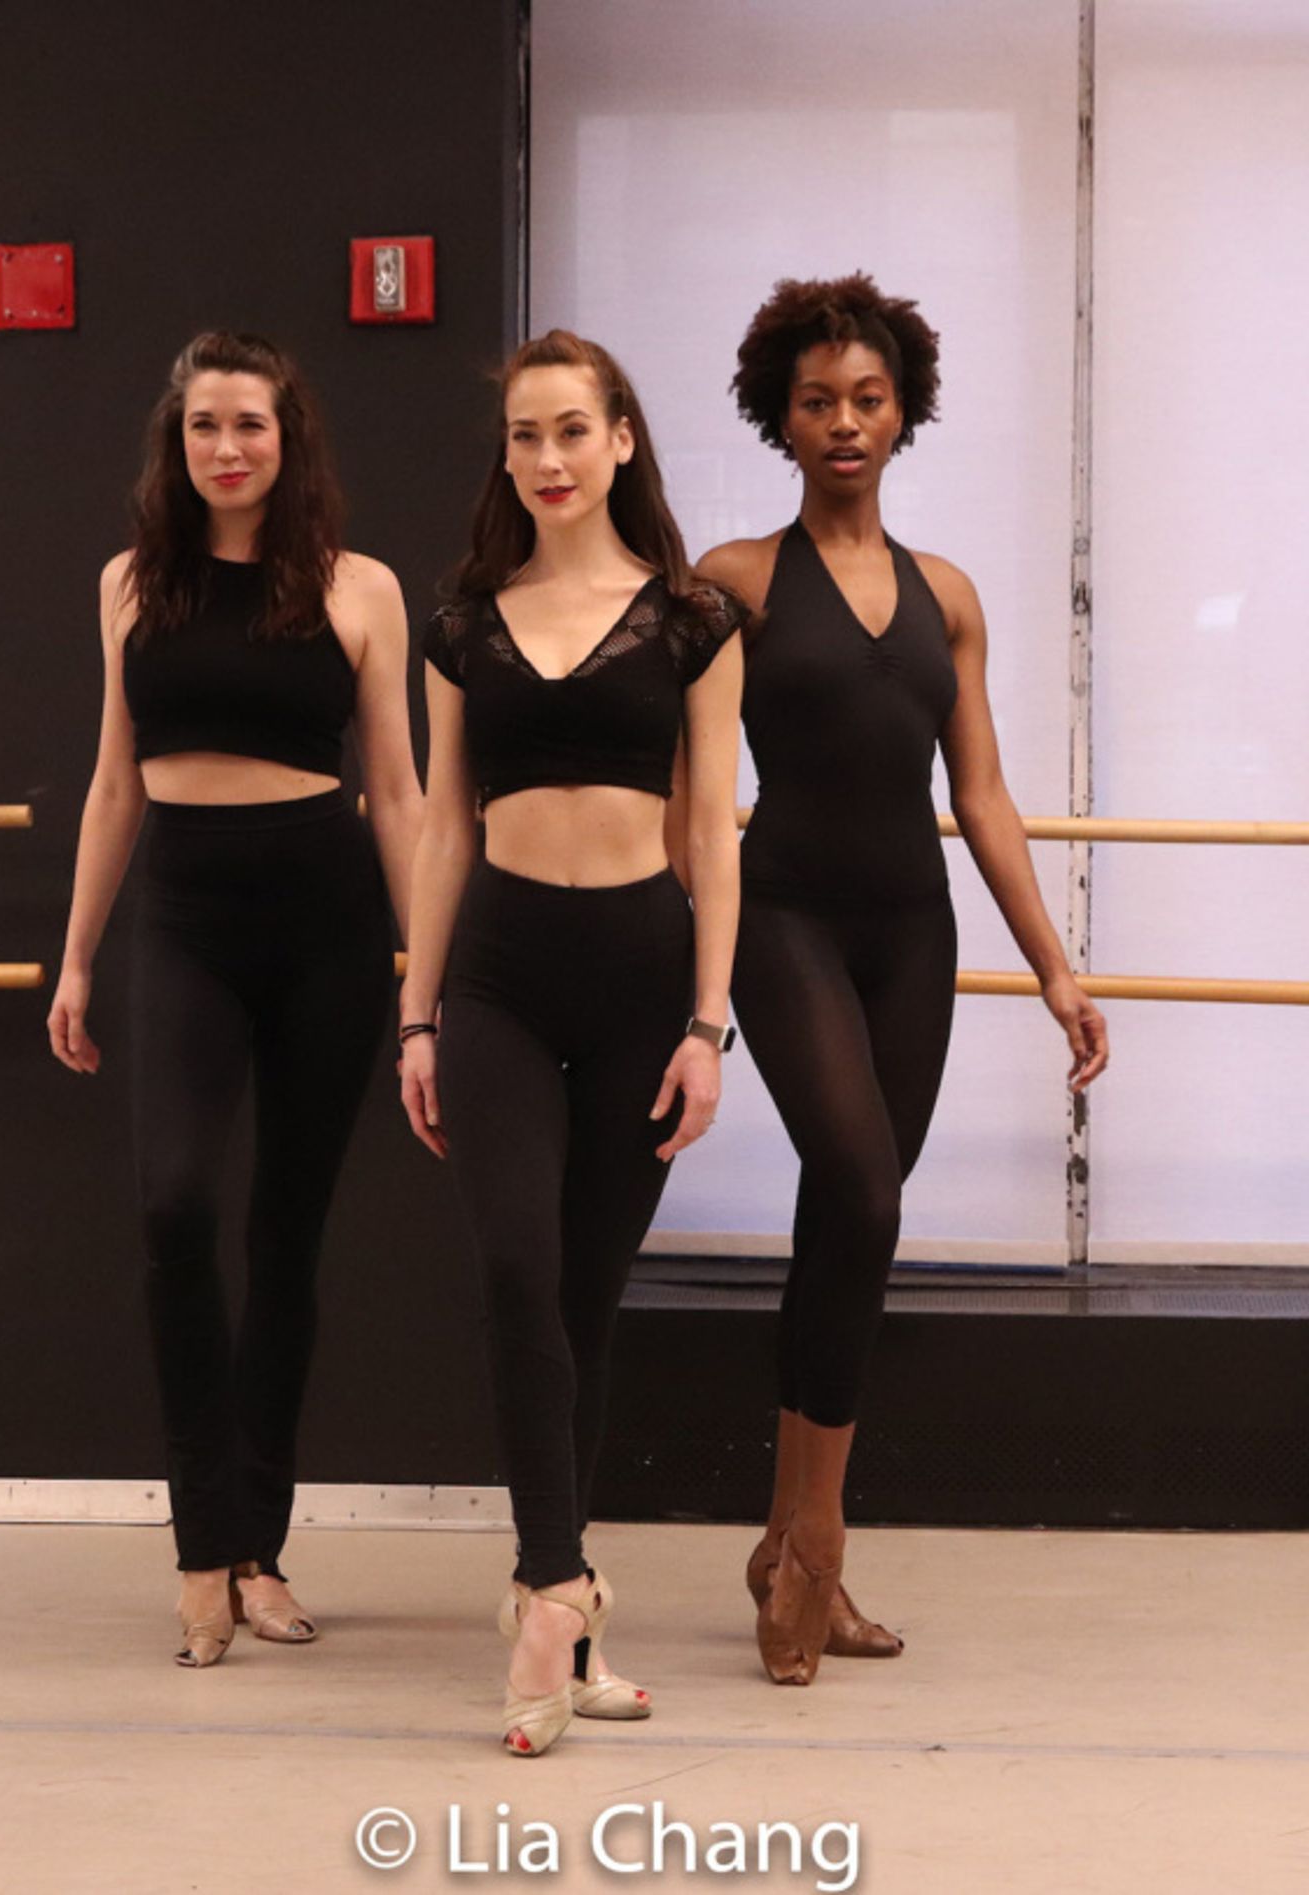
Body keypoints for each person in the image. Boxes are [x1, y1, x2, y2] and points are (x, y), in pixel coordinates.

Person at [698, 274, 1109, 1686]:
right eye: (818, 401)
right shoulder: (737, 581)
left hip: (911, 934)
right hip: (782, 918)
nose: (844, 422)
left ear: (902, 411)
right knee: (865, 1192)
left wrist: (1055, 970)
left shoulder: (950, 596)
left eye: (867, 399)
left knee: (848, 1223)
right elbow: (683, 778)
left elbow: (980, 797)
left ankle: (780, 1539)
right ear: (782, 417)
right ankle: (817, 1550)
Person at [47, 331, 422, 1666]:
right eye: (204, 424)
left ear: (288, 436)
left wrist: (425, 989)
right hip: (185, 921)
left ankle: (258, 1545)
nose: (226, 447)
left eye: (249, 423)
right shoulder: (130, 583)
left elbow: (400, 795)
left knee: (287, 1238)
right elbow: (114, 783)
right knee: (175, 1209)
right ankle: (201, 1547)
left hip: (326, 923)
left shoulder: (358, 587)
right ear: (178, 439)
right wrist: (77, 955)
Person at [400, 329, 744, 1755]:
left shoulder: (694, 619)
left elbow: (711, 833)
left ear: (621, 440)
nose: (547, 459)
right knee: (514, 1268)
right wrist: (417, 1012)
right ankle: (552, 1592)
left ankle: (569, 1601)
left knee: (585, 1300)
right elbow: (441, 825)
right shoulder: (463, 621)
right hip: (496, 977)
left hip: (640, 979)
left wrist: (709, 1025)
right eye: (524, 437)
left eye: (570, 431)